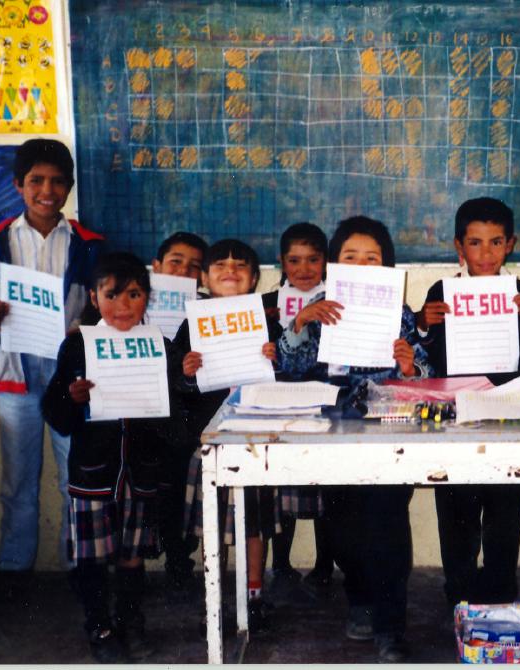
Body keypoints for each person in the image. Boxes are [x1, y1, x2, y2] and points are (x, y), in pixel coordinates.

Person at [279, 215, 432, 663]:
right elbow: (288, 368)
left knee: (386, 527)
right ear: (333, 264)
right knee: (343, 529)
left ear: (387, 266)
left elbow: (424, 373)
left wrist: (410, 366)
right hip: (333, 433)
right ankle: (359, 599)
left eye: (372, 258)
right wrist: (300, 324)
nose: (362, 265)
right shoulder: (320, 309)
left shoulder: (399, 313)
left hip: (390, 429)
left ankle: (390, 626)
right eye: (351, 257)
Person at [0, 138, 104, 601]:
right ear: (19, 184)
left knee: (73, 474)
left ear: (69, 188)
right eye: (36, 180)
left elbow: (102, 309)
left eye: (58, 181)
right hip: (16, 374)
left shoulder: (88, 244)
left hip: (69, 378)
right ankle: (16, 568)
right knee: (18, 478)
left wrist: (87, 332)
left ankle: (79, 564)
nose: (47, 190)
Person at [41, 252, 178, 662]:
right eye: (111, 294)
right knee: (93, 556)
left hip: (139, 472)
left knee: (133, 554)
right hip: (92, 472)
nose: (122, 305)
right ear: (95, 299)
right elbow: (54, 413)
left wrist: (184, 375)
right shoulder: (76, 346)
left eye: (134, 294)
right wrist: (71, 396)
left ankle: (131, 621)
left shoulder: (161, 347)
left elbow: (175, 413)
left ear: (147, 299)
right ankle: (99, 626)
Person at [415, 197, 520, 607]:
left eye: (496, 242)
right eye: (475, 243)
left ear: (510, 245)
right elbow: (429, 356)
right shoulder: (441, 292)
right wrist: (424, 323)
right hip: (456, 417)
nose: (486, 253)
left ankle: (502, 591)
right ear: (458, 247)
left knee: (506, 509)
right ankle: (459, 592)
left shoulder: (519, 292)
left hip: (508, 415)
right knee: (457, 510)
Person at [175, 239, 281, 633]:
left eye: (241, 265)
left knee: (254, 522)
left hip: (254, 435)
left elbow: (284, 371)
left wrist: (276, 355)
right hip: (211, 439)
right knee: (212, 524)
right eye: (220, 265)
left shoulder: (267, 321)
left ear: (254, 278)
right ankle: (214, 595)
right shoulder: (191, 324)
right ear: (204, 278)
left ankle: (254, 593)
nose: (231, 270)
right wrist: (187, 371)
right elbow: (177, 385)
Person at [261, 222, 334, 600]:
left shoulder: (336, 299)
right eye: (294, 260)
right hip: (280, 405)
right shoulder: (266, 304)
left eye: (313, 260)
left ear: (326, 262)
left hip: (323, 403)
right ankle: (282, 565)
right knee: (281, 491)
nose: (304, 269)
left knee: (324, 489)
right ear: (281, 262)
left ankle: (324, 566)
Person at [149, 230, 207, 589]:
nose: (184, 272)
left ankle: (179, 558)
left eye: (194, 267)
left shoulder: (205, 310)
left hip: (184, 414)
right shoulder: (137, 304)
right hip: (146, 414)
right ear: (156, 266)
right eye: (175, 263)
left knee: (179, 488)